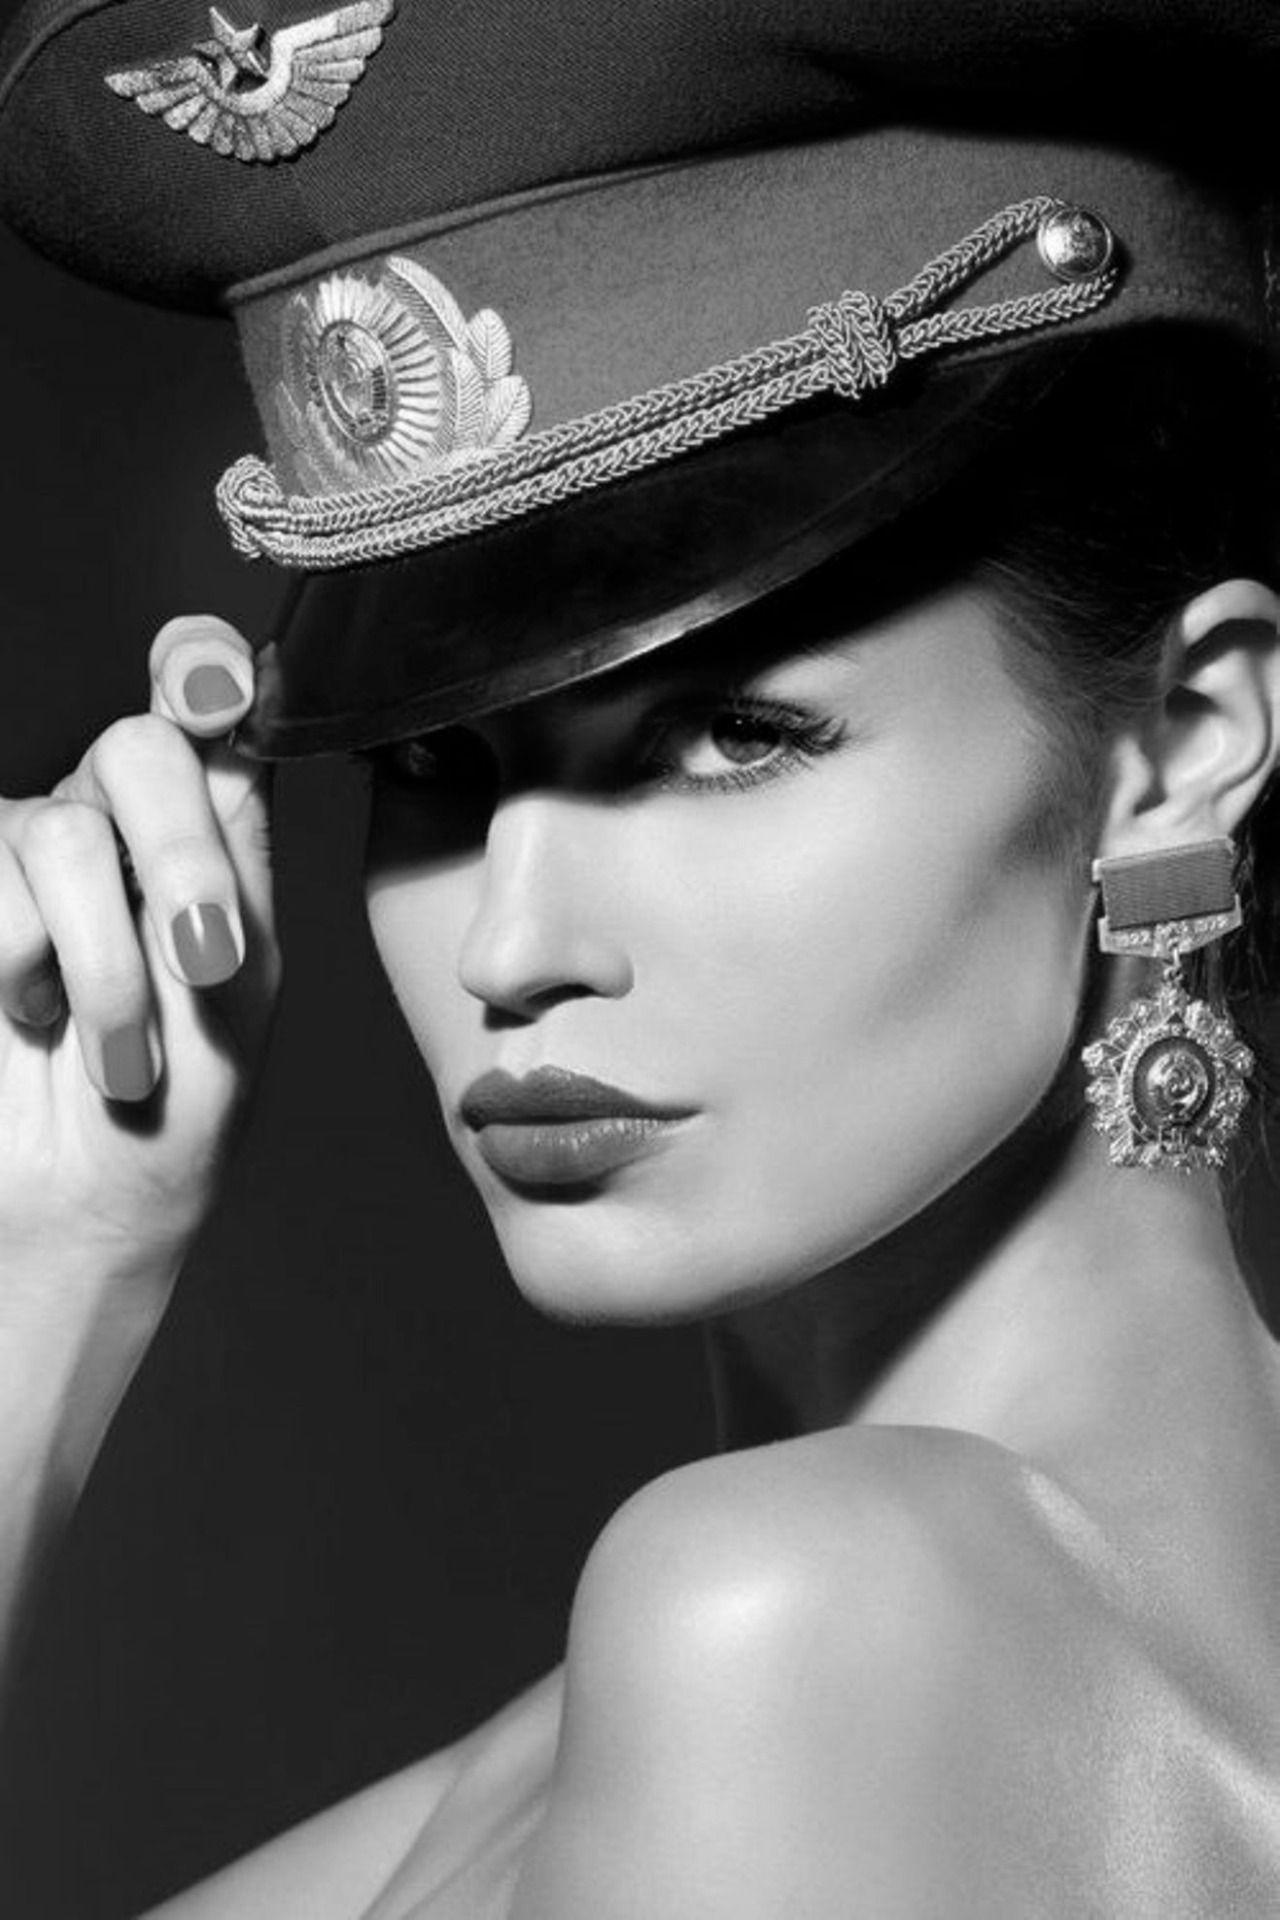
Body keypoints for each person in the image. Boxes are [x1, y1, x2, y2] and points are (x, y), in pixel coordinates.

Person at [2, 0, 1280, 1913]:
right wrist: (55, 1241)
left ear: (1182, 743)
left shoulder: (786, 1630)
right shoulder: (693, 1702)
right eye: (436, 764)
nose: (512, 946)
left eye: (734, 738)